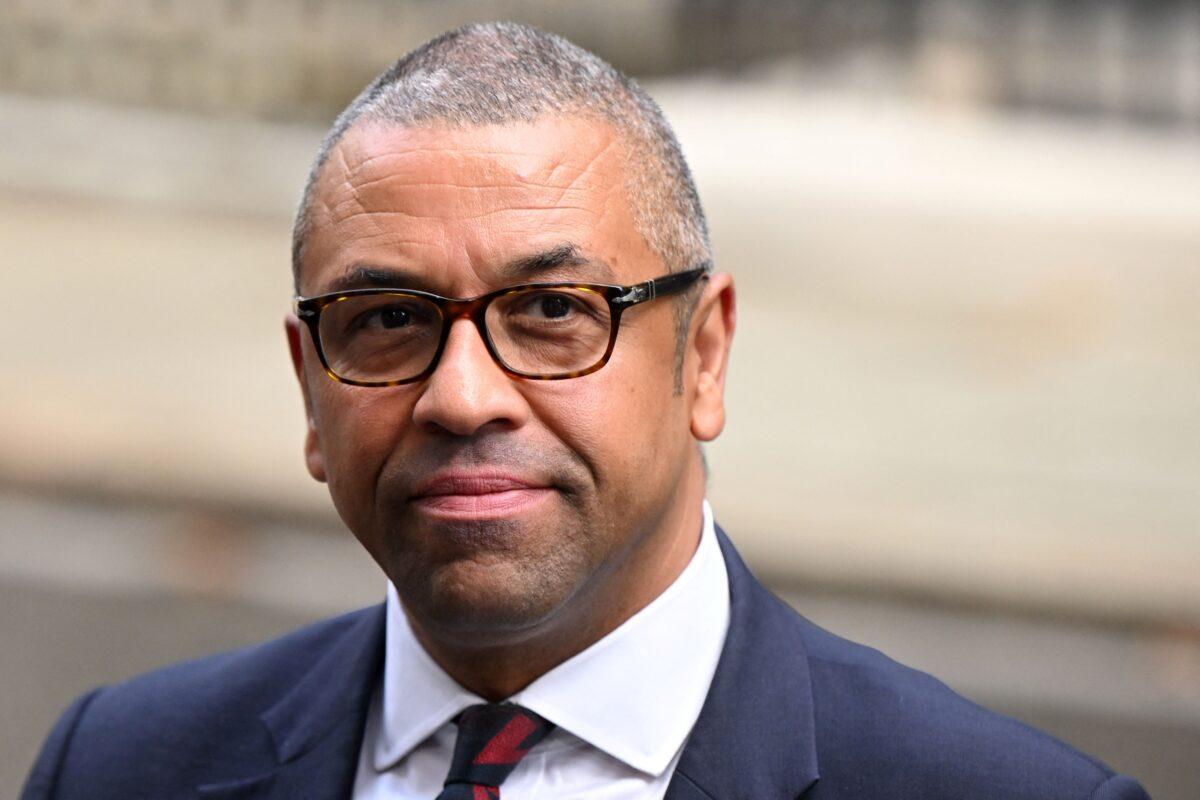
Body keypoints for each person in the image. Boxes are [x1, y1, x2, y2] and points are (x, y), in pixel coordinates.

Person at [22, 22, 1149, 800]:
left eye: (555, 309)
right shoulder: (122, 762)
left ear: (703, 355)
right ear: (310, 389)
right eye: (386, 320)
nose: (463, 394)